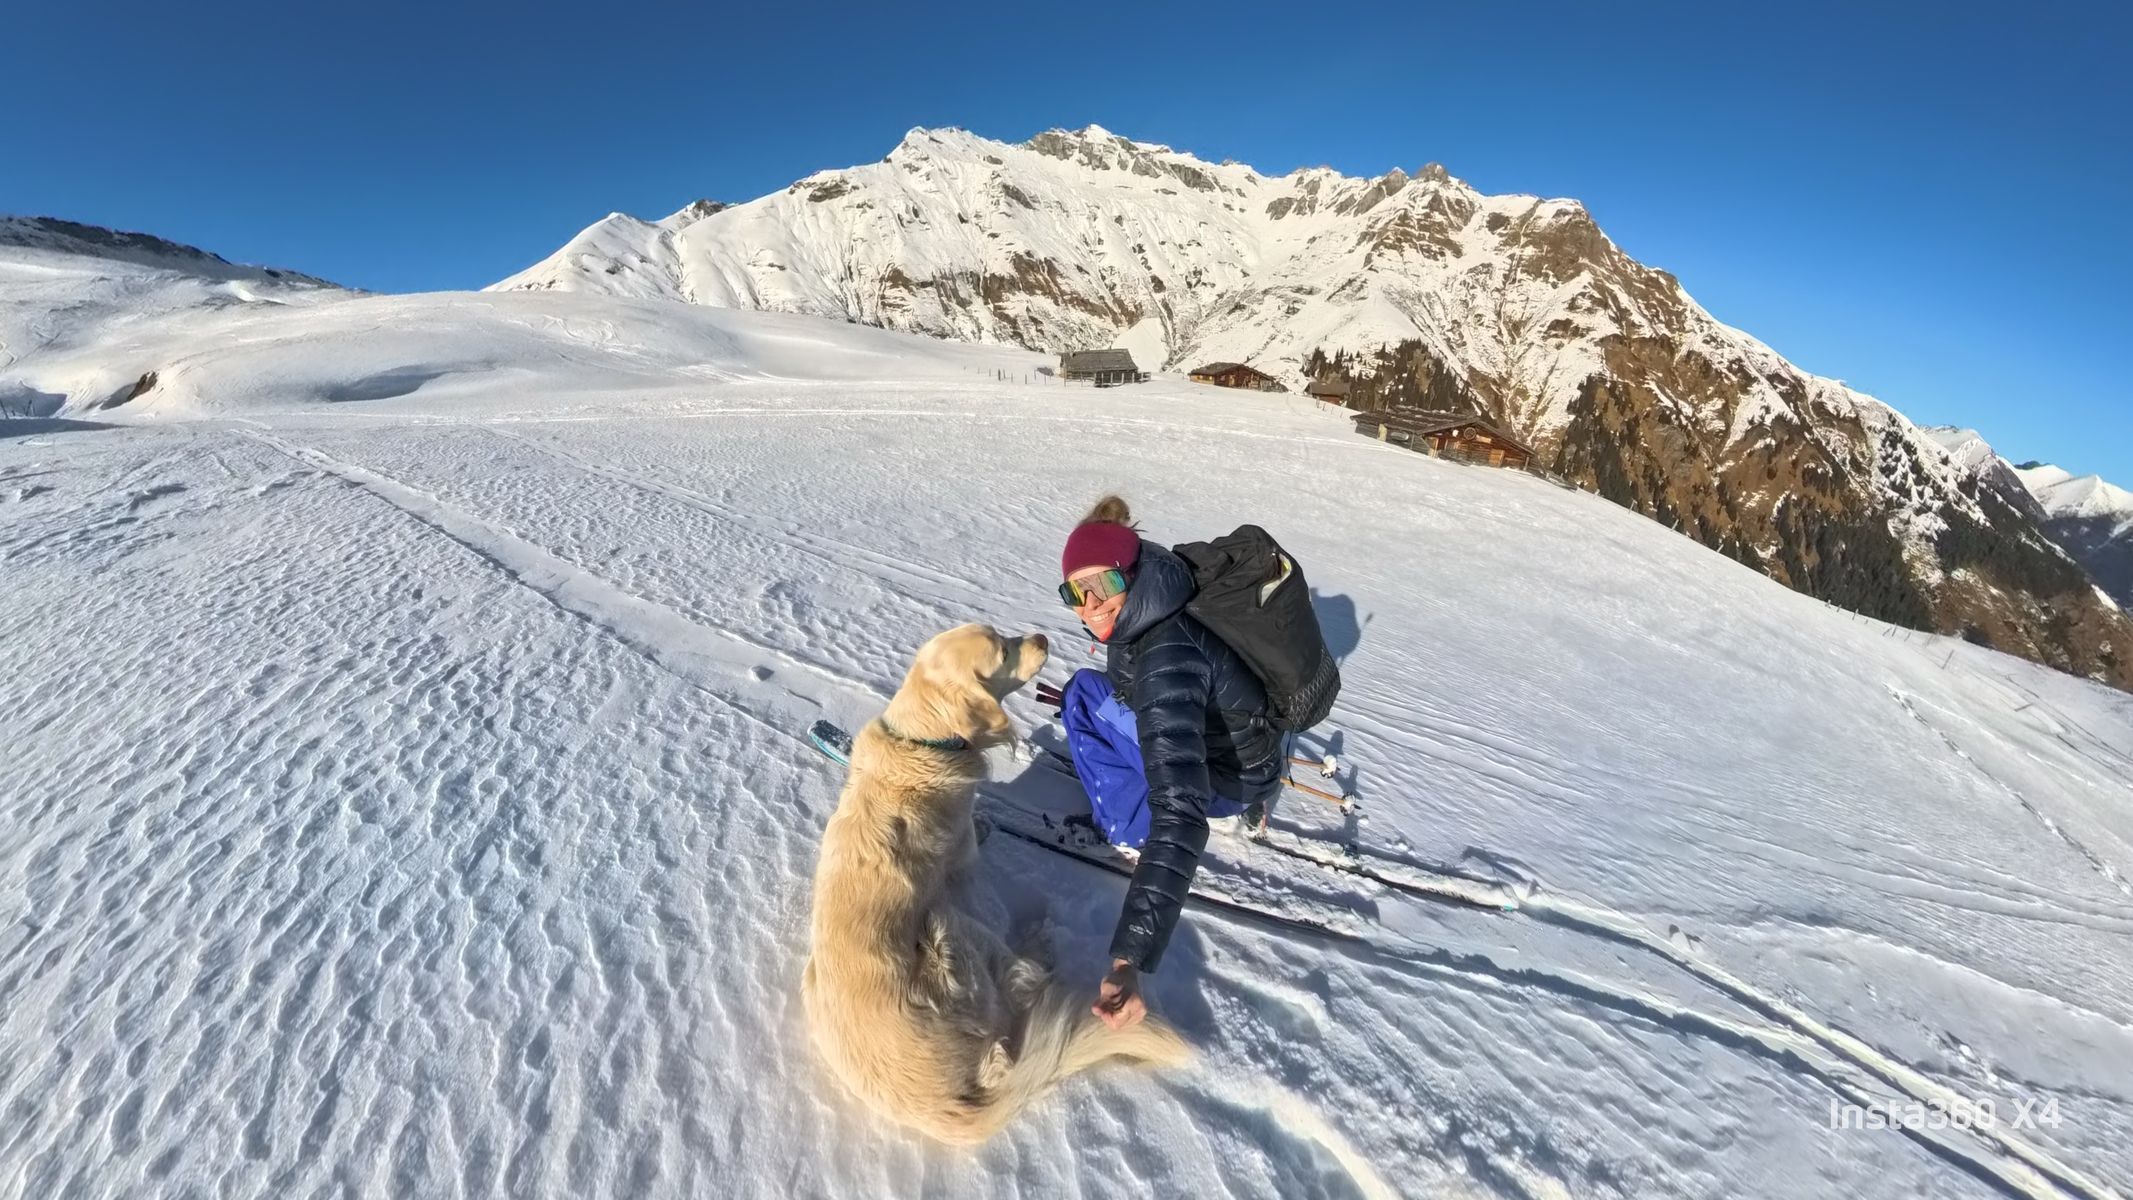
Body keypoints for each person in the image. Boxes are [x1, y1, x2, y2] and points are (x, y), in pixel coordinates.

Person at [1047, 495, 1285, 1030]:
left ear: (1130, 572)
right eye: (1074, 592)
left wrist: (1129, 961)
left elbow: (1181, 814)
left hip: (1223, 778)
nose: (1089, 605)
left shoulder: (1164, 656)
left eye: (1102, 585)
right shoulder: (1167, 587)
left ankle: (1123, 825)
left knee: (1081, 699)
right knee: (1091, 688)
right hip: (1249, 746)